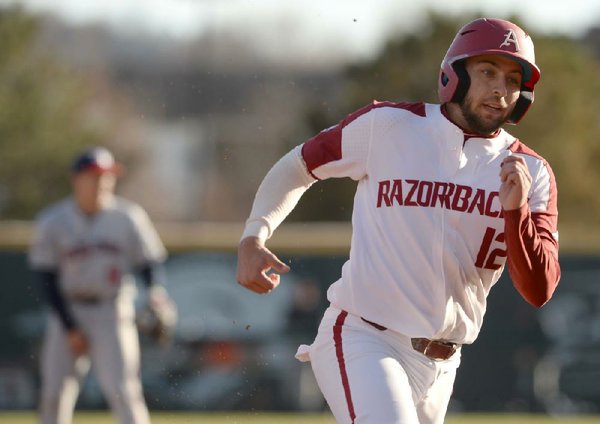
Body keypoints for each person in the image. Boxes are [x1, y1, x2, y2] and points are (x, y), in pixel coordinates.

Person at [236, 18, 560, 424]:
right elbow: (300, 165)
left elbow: (539, 289)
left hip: (444, 363)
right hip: (365, 337)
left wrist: (517, 213)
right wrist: (255, 233)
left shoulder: (531, 172)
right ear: (454, 74)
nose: (500, 89)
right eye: (487, 72)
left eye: (513, 79)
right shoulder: (389, 127)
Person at [29, 146, 174, 424]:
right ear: (76, 179)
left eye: (107, 176)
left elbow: (149, 263)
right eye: (94, 176)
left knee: (124, 391)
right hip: (67, 310)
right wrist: (70, 326)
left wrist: (156, 293)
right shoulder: (53, 220)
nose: (102, 182)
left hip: (113, 310)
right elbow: (46, 277)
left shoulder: (129, 216)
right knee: (54, 394)